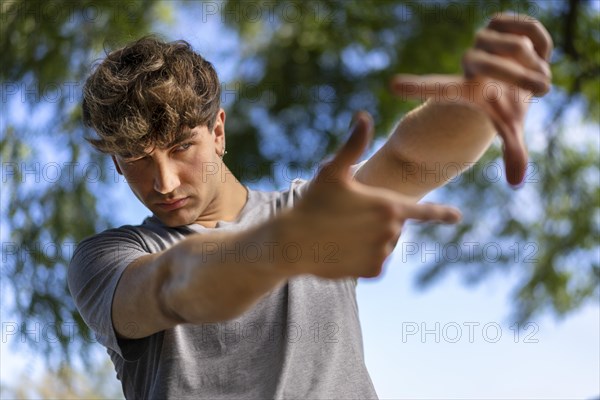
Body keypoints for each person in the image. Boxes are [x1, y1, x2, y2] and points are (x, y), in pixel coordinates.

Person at [68, 13, 552, 399]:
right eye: (135, 159)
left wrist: (485, 98)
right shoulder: (106, 260)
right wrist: (289, 244)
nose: (164, 181)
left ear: (217, 132)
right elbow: (172, 286)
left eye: (179, 147)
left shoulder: (309, 209)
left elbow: (408, 159)